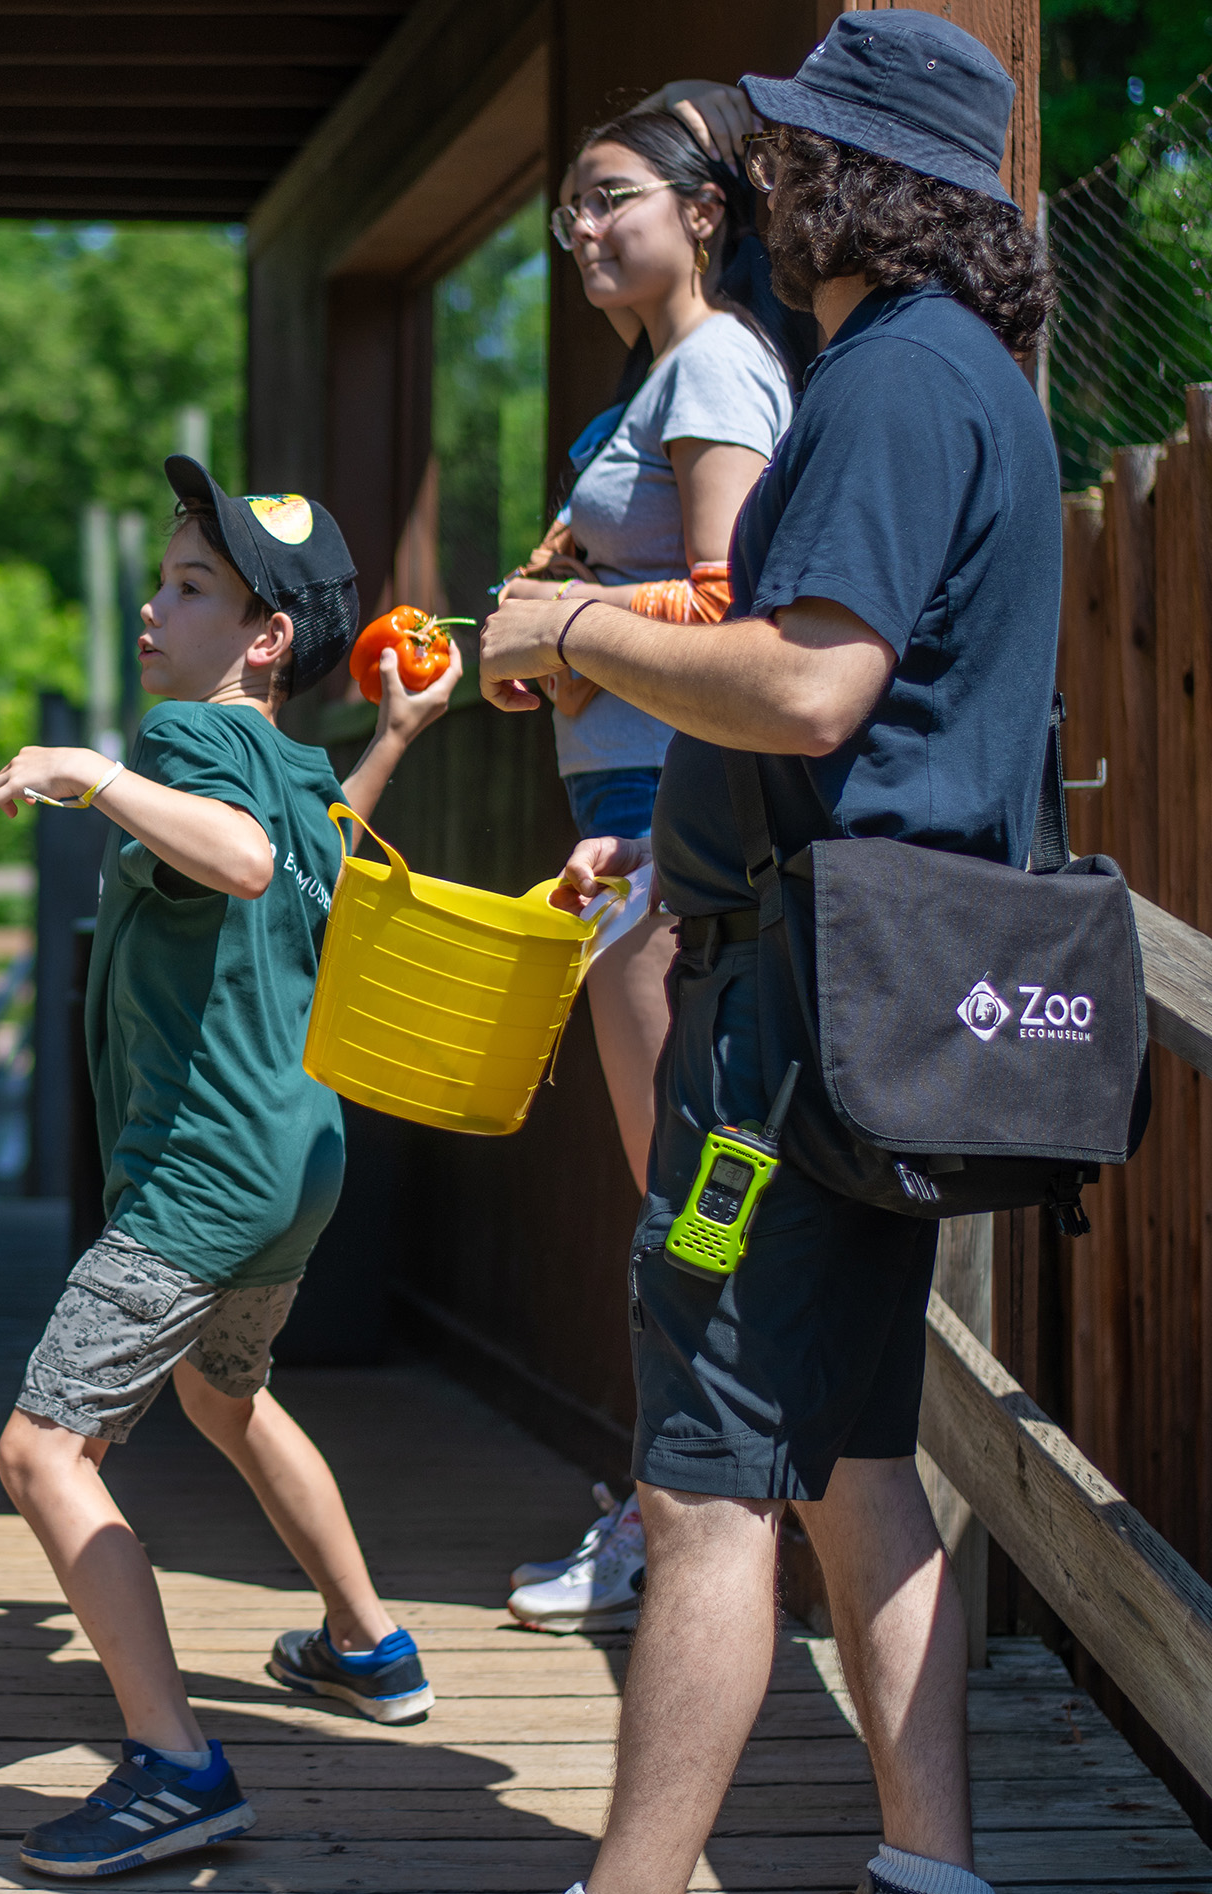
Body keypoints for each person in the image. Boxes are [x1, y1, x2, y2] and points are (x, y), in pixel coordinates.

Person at [477, 16, 1055, 1894]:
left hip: (788, 1038)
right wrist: (669, 825)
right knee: (850, 1455)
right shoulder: (974, 381)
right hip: (875, 999)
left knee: (705, 1474)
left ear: (860, 180)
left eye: (799, 151)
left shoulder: (890, 382)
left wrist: (574, 625)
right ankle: (931, 1880)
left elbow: (812, 685)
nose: (770, 179)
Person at [0, 458, 461, 1879]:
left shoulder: (183, 746)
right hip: (295, 1157)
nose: (154, 601)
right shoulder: (293, 758)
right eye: (166, 574)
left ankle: (175, 1766)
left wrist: (93, 771)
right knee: (223, 1391)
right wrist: (398, 739)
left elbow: (249, 864)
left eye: (192, 586)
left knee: (43, 1451)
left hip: (204, 1168)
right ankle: (369, 1647)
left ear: (262, 640)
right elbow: (308, 847)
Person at [501, 104, 807, 1639]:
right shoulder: (660, 376)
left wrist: (562, 624)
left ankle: (681, 1518)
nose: (579, 231)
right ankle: (689, 1508)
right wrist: (540, 646)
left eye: (607, 199)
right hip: (624, 792)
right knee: (673, 1191)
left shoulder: (714, 366)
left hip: (666, 812)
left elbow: (734, 607)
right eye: (565, 211)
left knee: (684, 1197)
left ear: (702, 210)